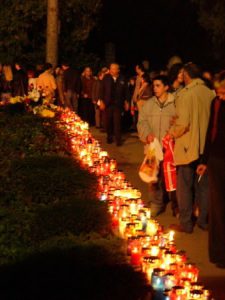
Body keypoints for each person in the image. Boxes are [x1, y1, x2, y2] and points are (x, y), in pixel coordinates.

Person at [169, 63, 215, 233]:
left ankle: (186, 223)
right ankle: (203, 220)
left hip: (188, 145)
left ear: (187, 75)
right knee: (203, 186)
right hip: (206, 146)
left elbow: (183, 124)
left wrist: (171, 132)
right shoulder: (209, 92)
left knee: (184, 186)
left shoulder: (186, 94)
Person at [197, 71, 225, 268]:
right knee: (218, 207)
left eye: (223, 91)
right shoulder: (216, 103)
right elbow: (211, 131)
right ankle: (218, 253)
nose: (220, 95)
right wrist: (204, 160)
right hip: (217, 159)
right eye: (218, 91)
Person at [137, 75, 176, 217]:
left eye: (158, 85)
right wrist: (147, 134)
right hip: (153, 148)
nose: (155, 89)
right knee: (152, 176)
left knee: (170, 177)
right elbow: (142, 122)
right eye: (154, 86)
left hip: (169, 147)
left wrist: (171, 134)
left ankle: (175, 205)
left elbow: (179, 122)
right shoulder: (149, 104)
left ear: (166, 87)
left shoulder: (175, 103)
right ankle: (156, 203)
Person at [101, 63, 130, 146]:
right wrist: (101, 101)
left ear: (118, 70)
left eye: (114, 69)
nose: (112, 70)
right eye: (111, 69)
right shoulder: (106, 78)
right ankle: (109, 137)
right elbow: (101, 89)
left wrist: (127, 101)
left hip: (118, 104)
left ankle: (118, 140)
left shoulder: (122, 78)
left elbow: (126, 91)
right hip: (108, 103)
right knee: (108, 122)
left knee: (117, 122)